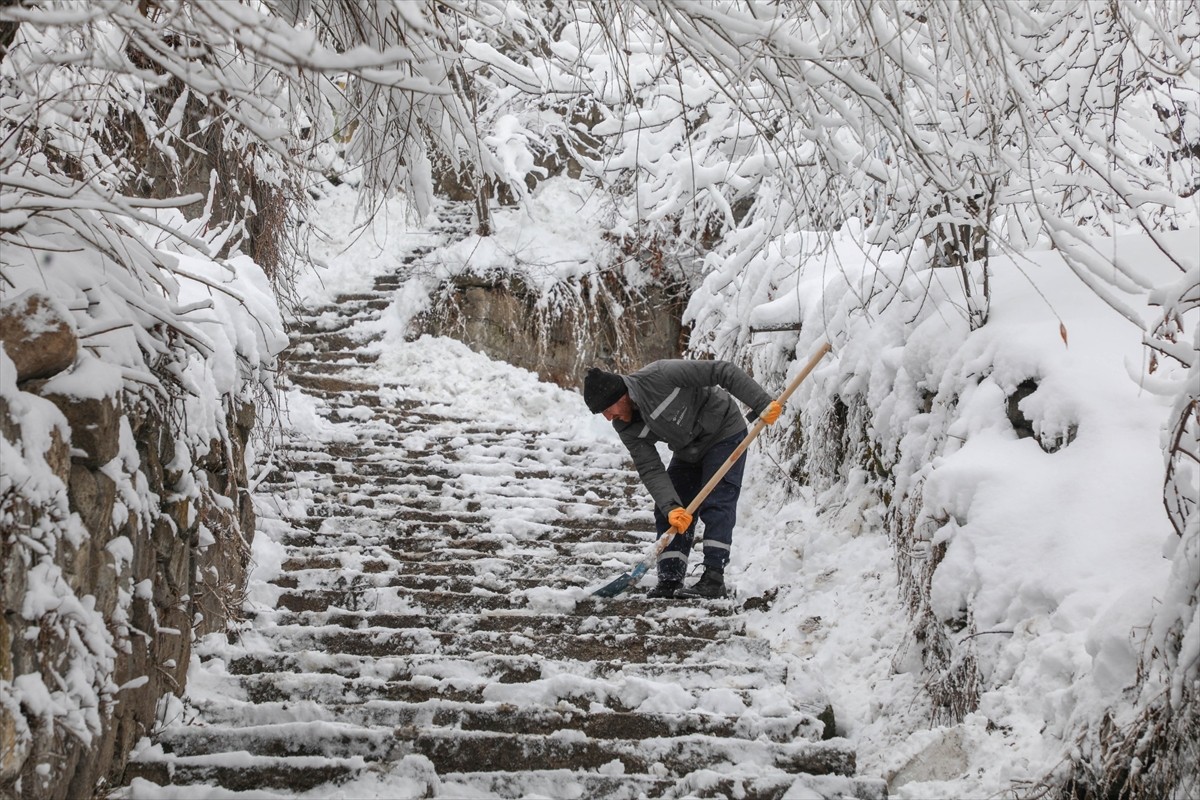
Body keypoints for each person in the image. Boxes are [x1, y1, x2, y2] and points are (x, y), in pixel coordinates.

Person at [583, 360, 782, 599]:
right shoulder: (624, 426)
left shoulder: (660, 375)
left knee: (717, 502)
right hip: (687, 449)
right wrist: (670, 506)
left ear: (621, 395)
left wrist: (760, 402)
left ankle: (713, 577)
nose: (608, 418)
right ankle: (670, 579)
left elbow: (721, 371)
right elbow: (650, 467)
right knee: (670, 509)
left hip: (723, 431)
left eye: (608, 409)